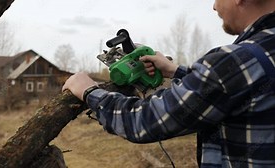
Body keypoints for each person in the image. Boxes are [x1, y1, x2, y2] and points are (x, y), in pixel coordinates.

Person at [63, 0, 275, 167]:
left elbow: (144, 121)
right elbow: (232, 90)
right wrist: (175, 70)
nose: (213, 6)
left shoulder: (236, 60)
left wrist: (88, 90)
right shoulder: (261, 52)